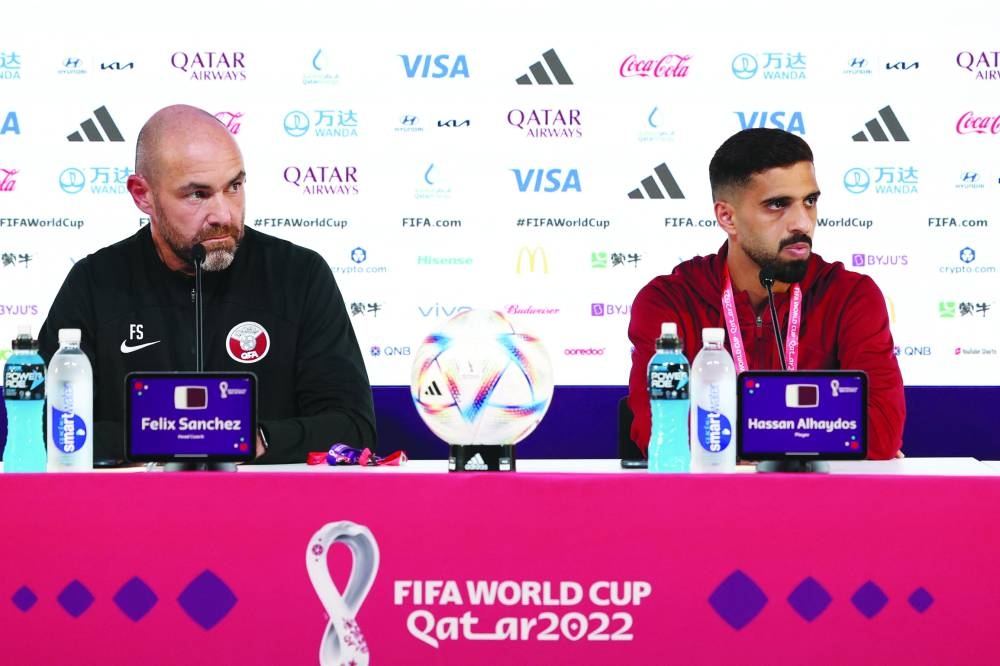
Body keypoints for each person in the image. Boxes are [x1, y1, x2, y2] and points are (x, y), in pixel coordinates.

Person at [38, 104, 376, 464]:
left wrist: (253, 439)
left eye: (234, 186)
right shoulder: (94, 283)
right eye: (197, 195)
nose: (224, 215)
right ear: (142, 195)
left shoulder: (300, 275)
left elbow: (353, 427)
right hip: (136, 511)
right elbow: (55, 432)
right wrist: (178, 437)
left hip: (268, 511)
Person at [627, 128, 905, 460]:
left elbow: (881, 432)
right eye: (777, 205)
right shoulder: (670, 301)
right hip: (707, 506)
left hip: (820, 505)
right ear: (727, 217)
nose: (802, 222)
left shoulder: (851, 296)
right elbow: (663, 431)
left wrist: (739, 438)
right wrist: (820, 433)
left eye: (810, 201)